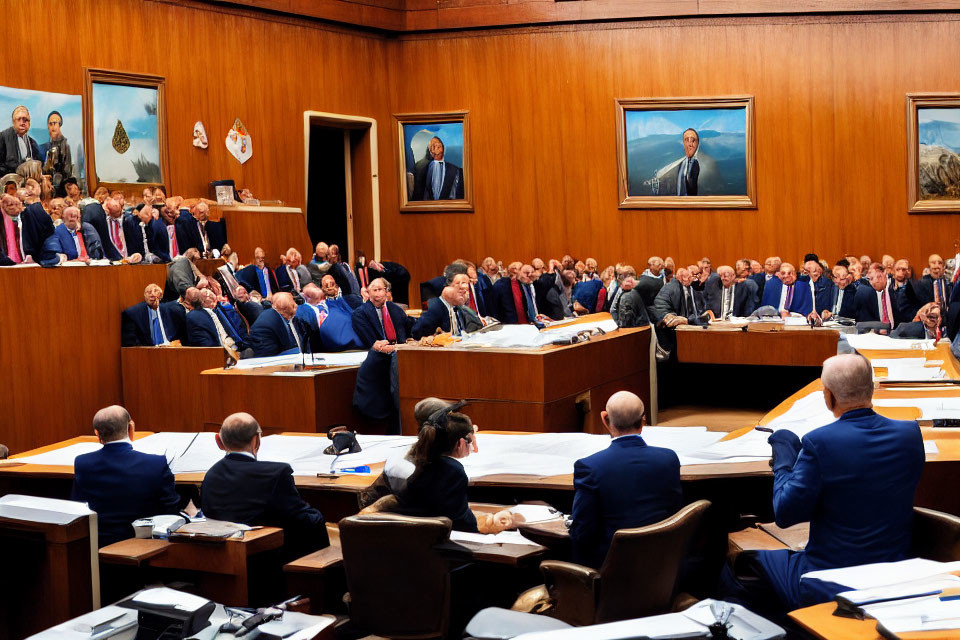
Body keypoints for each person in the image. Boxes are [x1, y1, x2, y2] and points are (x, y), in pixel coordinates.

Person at [749, 354, 924, 613]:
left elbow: (785, 513)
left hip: (830, 580)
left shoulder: (819, 443)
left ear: (829, 397)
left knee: (741, 565)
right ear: (872, 387)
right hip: (894, 575)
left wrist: (785, 460)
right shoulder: (910, 434)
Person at [569, 391, 681, 569]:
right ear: (643, 421)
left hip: (611, 571)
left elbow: (583, 534)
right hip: (663, 567)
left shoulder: (589, 467)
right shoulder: (669, 459)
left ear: (605, 419)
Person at [201, 412, 329, 558]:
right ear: (256, 440)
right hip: (269, 561)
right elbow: (302, 520)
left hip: (221, 558)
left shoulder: (210, 475)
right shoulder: (276, 473)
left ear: (219, 441)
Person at [72, 405, 182, 547]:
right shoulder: (156, 463)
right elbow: (171, 511)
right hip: (145, 547)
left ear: (97, 434)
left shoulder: (82, 463)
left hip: (99, 546)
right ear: (131, 428)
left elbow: (77, 507)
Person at [391, 404, 478, 531]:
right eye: (470, 441)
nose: (473, 447)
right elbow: (461, 521)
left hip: (407, 532)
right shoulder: (453, 472)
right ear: (460, 443)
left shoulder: (417, 458)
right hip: (436, 539)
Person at [0, 193, 61, 265]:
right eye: (9, 205)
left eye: (16, 204)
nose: (13, 207)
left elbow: (48, 233)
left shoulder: (31, 216)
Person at [413, 279, 483, 338]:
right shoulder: (436, 308)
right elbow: (417, 332)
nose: (464, 292)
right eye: (459, 289)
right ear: (446, 289)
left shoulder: (458, 308)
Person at [246, 292, 304, 357]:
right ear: (286, 309)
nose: (296, 305)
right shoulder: (266, 326)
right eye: (293, 303)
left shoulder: (278, 313)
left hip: (280, 351)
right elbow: (268, 354)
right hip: (270, 358)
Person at [854, 262, 909, 330]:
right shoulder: (882, 291)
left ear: (880, 276)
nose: (871, 283)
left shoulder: (895, 289)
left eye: (871, 279)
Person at [411, 136, 465, 201]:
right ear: (429, 150)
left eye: (438, 145)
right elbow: (416, 196)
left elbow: (460, 197)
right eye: (432, 146)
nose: (436, 148)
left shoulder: (456, 170)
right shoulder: (421, 169)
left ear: (443, 148)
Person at [38, 110, 74, 196]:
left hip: (62, 191)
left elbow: (67, 172)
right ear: (48, 126)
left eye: (55, 123)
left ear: (60, 125)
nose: (53, 126)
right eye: (51, 124)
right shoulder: (42, 147)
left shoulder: (66, 146)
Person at [0, 106, 42, 175]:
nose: (22, 123)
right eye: (19, 119)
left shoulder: (33, 143)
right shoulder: (2, 138)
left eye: (25, 120)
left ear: (29, 123)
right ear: (13, 122)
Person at [676, 128, 700, 196]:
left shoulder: (698, 164)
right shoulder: (681, 165)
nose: (690, 144)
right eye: (687, 140)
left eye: (693, 141)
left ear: (698, 143)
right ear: (683, 143)